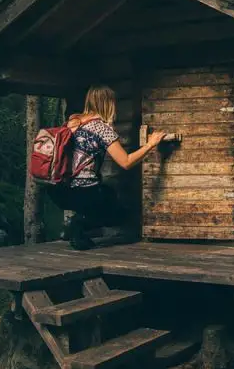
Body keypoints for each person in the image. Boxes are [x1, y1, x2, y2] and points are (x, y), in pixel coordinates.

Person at [47, 85, 166, 250]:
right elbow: (126, 162)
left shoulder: (72, 122)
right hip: (84, 191)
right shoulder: (101, 129)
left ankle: (79, 232)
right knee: (119, 216)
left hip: (59, 190)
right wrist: (150, 144)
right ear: (109, 104)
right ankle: (79, 223)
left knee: (108, 194)